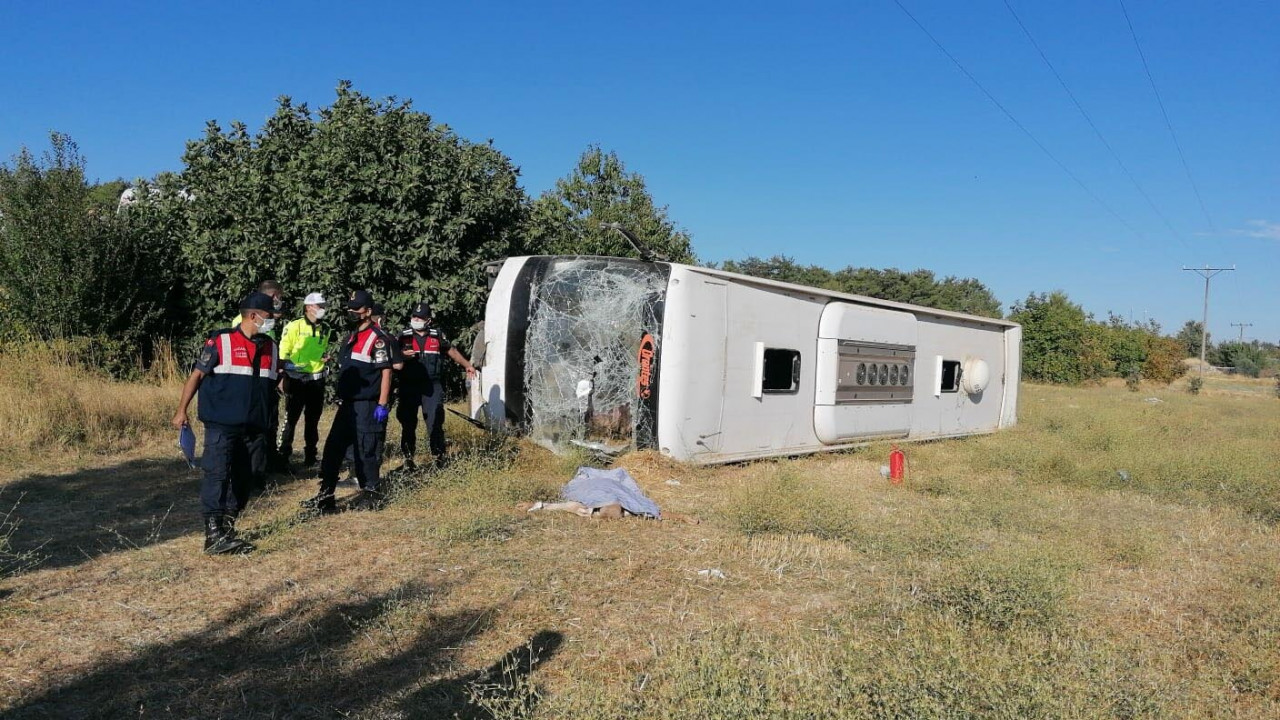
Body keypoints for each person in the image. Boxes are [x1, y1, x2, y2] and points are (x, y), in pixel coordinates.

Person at [171, 292, 281, 555]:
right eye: (269, 317)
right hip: (222, 424)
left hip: (255, 427)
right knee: (217, 474)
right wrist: (181, 410)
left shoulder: (270, 347)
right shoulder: (221, 340)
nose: (272, 322)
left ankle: (228, 524)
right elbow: (196, 375)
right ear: (253, 316)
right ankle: (213, 532)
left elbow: (272, 383)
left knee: (248, 476)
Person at [308, 290, 395, 513]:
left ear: (368, 311)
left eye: (356, 309)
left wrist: (382, 404)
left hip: (367, 404)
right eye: (349, 308)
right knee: (333, 450)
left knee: (366, 450)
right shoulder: (351, 336)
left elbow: (386, 372)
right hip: (347, 404)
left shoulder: (378, 339)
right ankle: (325, 495)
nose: (351, 312)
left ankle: (371, 494)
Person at [396, 302, 476, 470]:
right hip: (408, 386)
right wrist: (402, 355)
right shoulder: (403, 336)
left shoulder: (437, 335)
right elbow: (392, 358)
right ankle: (408, 460)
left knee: (435, 421)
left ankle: (439, 457)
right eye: (414, 316)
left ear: (428, 320)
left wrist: (467, 365)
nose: (416, 319)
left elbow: (451, 351)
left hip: (432, 386)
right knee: (408, 423)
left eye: (420, 317)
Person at [233, 280, 287, 477]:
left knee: (266, 428)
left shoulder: (265, 322)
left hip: (266, 381)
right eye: (279, 298)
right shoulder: (244, 322)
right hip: (249, 386)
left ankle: (265, 467)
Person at [278, 292, 331, 468]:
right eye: (319, 306)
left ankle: (310, 456)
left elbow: (320, 350)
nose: (323, 309)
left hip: (316, 379)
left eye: (324, 306)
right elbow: (283, 352)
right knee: (291, 418)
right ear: (308, 307)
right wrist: (283, 375)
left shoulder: (326, 328)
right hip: (296, 378)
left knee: (313, 419)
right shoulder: (294, 326)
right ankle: (283, 456)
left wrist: (324, 358)